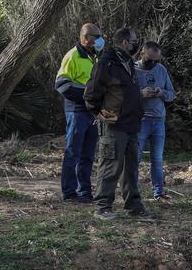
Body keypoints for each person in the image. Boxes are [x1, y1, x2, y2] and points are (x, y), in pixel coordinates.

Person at [84, 27, 149, 220]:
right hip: (113, 124)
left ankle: (134, 206)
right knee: (110, 166)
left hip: (131, 124)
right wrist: (99, 113)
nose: (137, 43)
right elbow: (91, 93)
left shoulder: (128, 62)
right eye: (134, 40)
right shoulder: (106, 63)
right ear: (124, 42)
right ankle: (102, 207)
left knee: (130, 168)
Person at [55, 23, 104, 203]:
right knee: (73, 153)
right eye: (95, 37)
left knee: (88, 154)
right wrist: (86, 97)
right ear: (85, 38)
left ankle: (84, 191)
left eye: (100, 36)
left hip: (93, 113)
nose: (99, 40)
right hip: (76, 111)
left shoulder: (96, 56)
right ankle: (69, 193)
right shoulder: (73, 55)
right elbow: (61, 85)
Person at [134, 42, 177, 202]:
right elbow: (123, 95)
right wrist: (141, 94)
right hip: (140, 120)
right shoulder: (132, 69)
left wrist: (162, 93)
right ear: (142, 54)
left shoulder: (161, 70)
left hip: (159, 120)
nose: (153, 63)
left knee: (157, 159)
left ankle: (159, 193)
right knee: (135, 158)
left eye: (156, 60)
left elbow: (172, 94)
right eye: (150, 59)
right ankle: (132, 192)